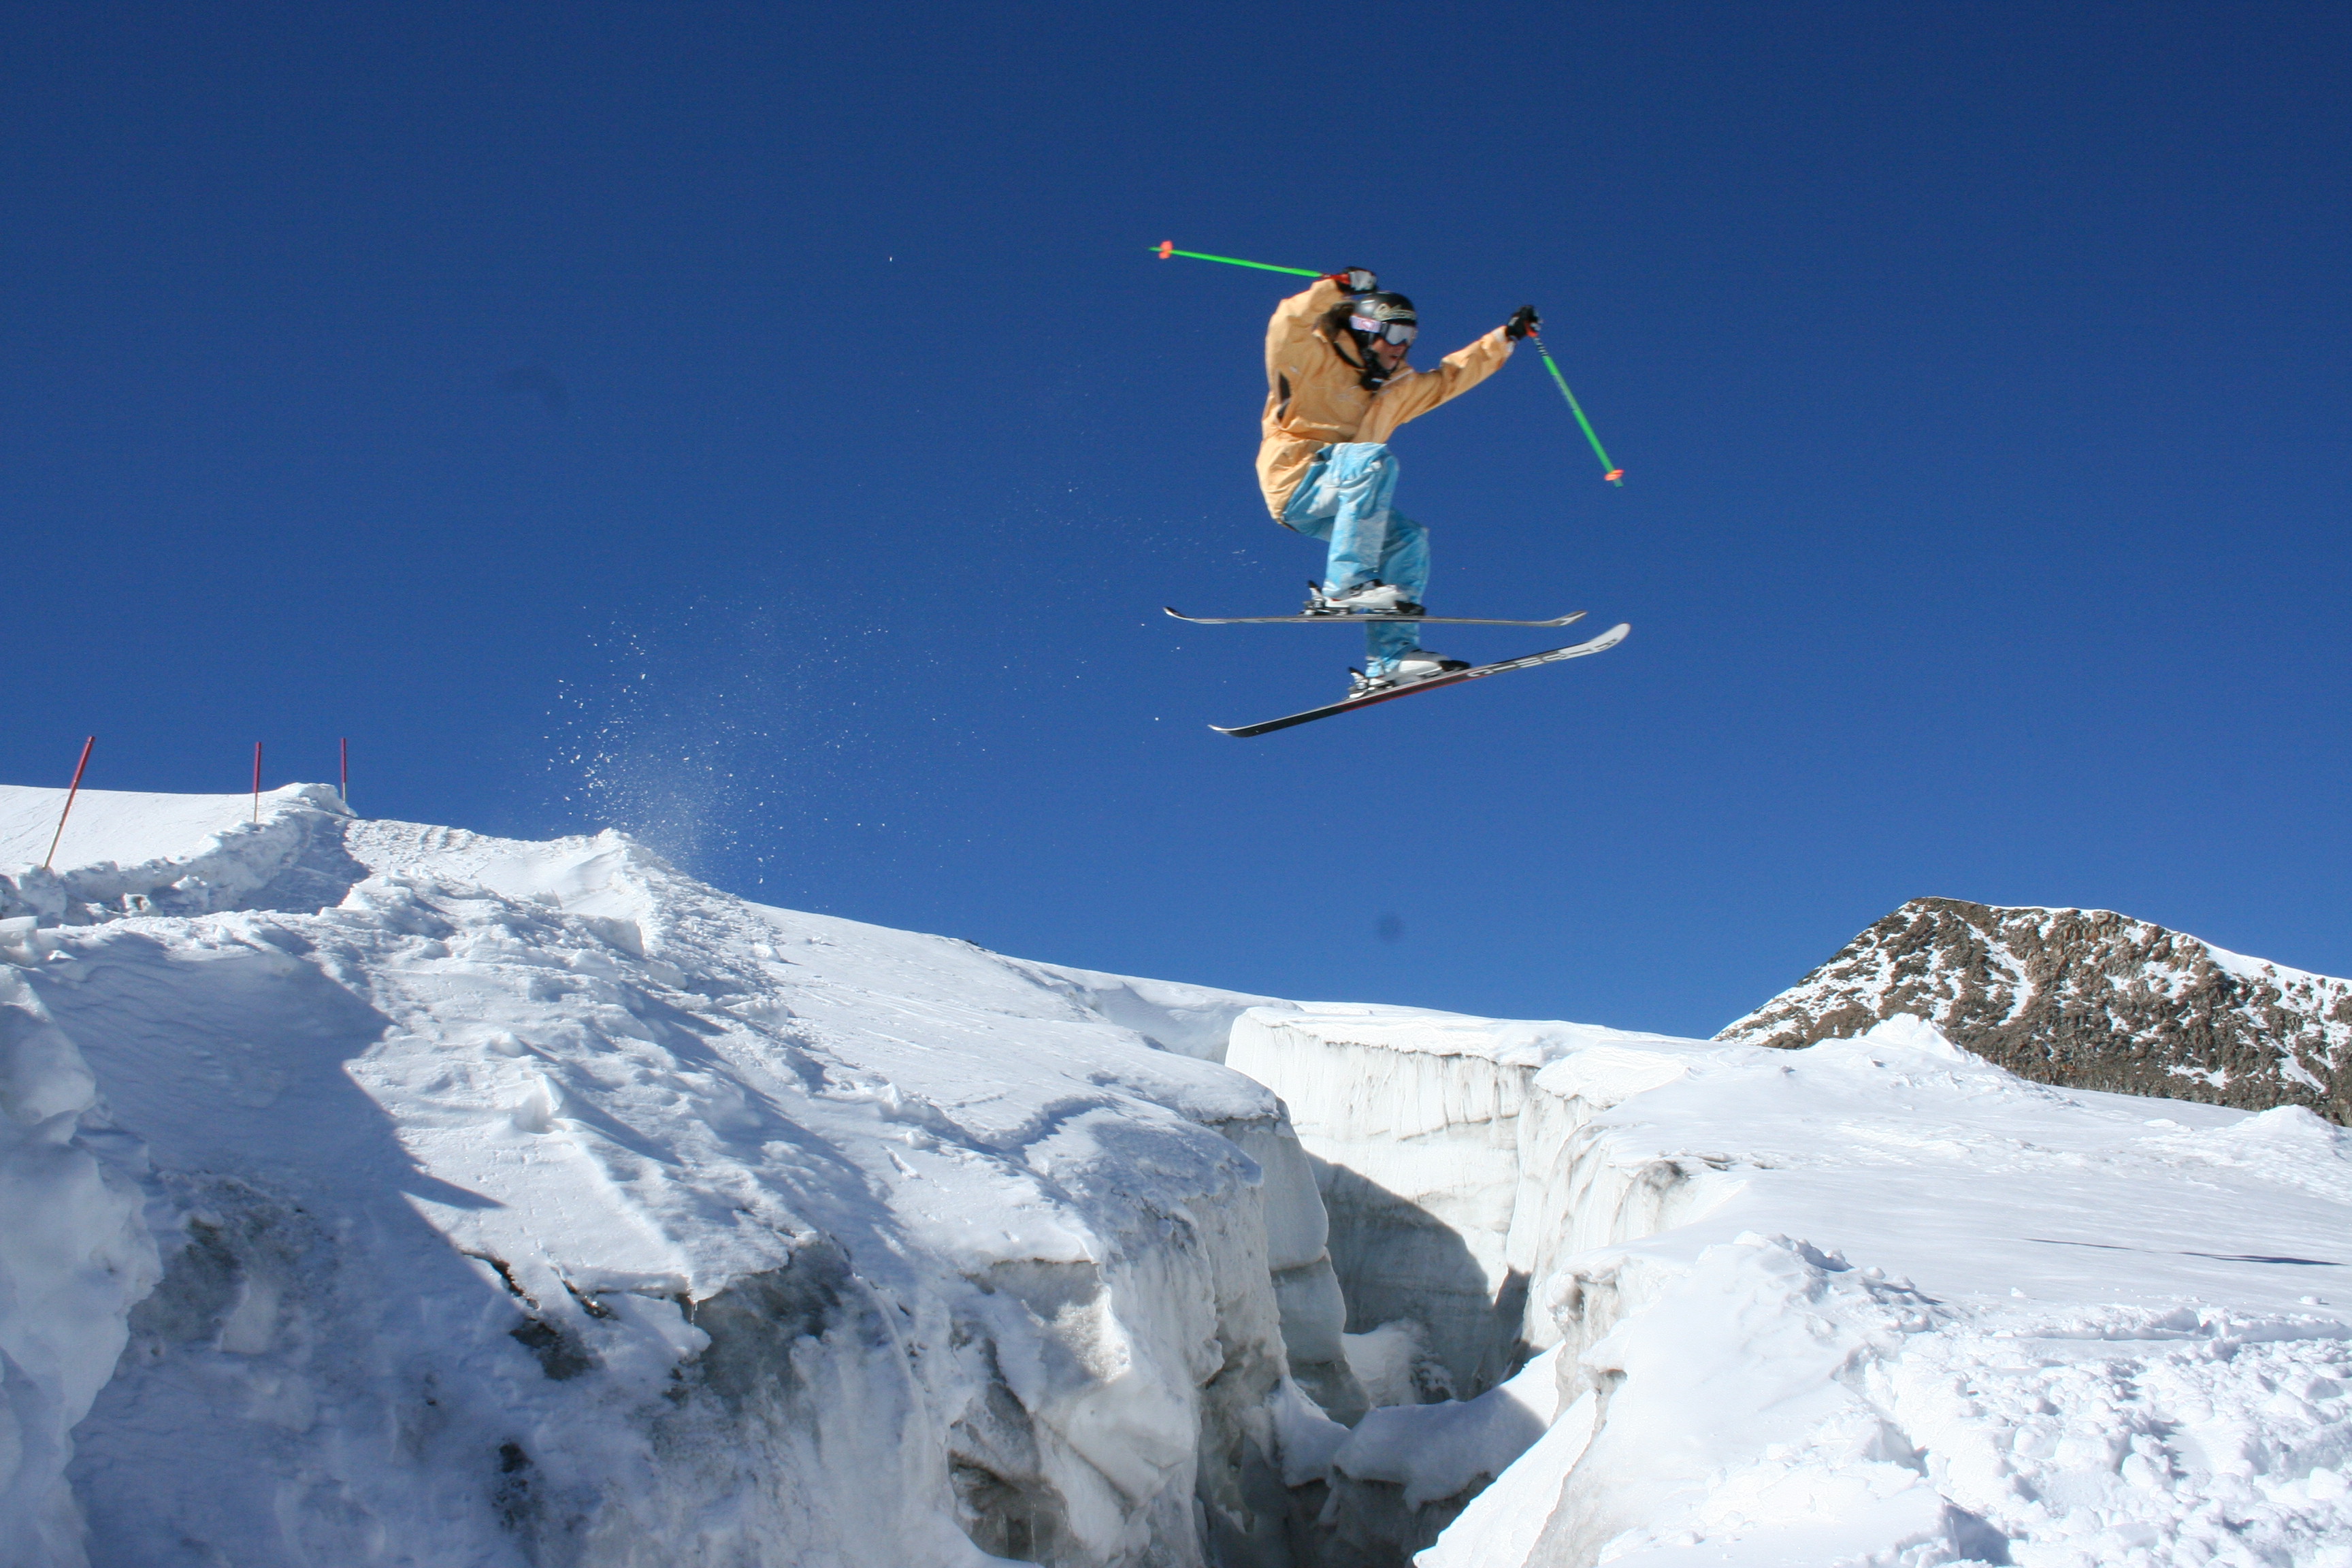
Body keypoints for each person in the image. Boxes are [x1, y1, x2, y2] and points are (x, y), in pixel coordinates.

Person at [1258, 267, 1540, 694]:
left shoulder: (1396, 387)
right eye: (1394, 335)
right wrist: (1335, 288)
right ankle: (1343, 588)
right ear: (1365, 327)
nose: (1401, 347)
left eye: (1410, 338)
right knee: (1373, 460)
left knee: (1408, 539)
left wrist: (1505, 338)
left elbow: (1451, 379)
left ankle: (1391, 660)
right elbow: (1286, 322)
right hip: (1296, 480)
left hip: (1343, 502)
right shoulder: (1311, 358)